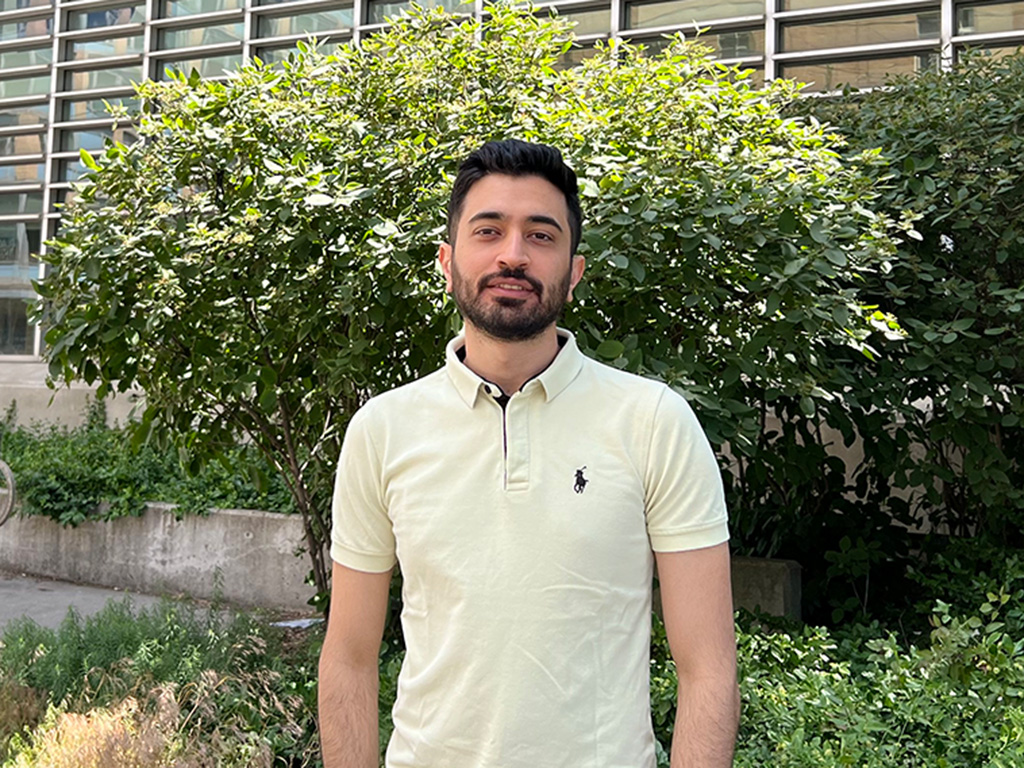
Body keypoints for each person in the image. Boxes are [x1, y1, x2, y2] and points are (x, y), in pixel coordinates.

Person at [318, 139, 740, 768]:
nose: (512, 255)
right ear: (447, 260)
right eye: (488, 231)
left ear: (574, 270)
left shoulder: (653, 422)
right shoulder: (383, 429)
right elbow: (349, 659)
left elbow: (708, 671)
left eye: (541, 236)